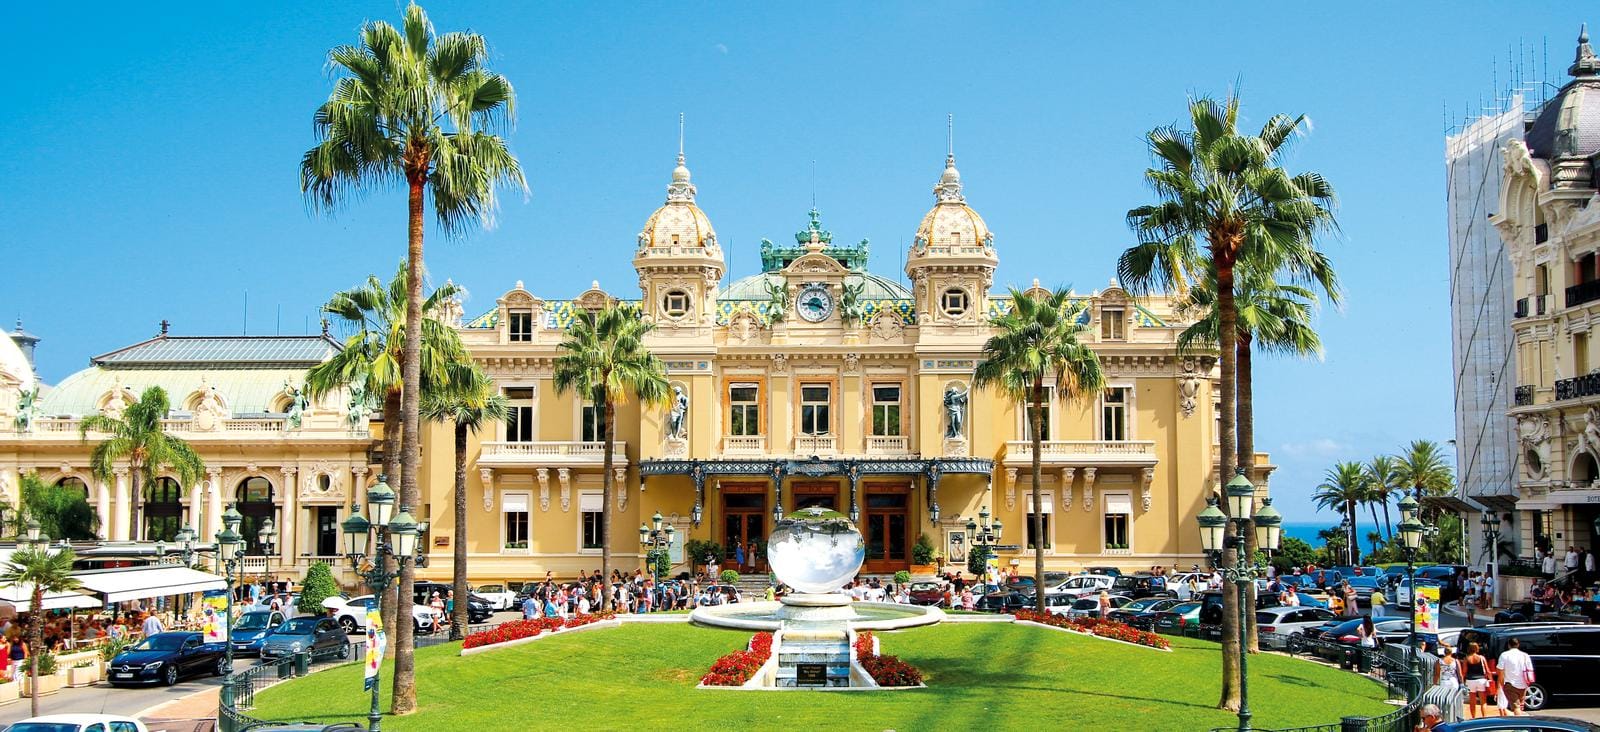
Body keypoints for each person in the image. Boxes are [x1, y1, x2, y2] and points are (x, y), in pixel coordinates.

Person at [1497, 637, 1535, 716]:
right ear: (1518, 645)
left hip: (1510, 685)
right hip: (1523, 684)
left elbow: (1500, 671)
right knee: (1520, 706)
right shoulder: (1525, 655)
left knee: (1516, 707)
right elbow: (1530, 670)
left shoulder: (1504, 655)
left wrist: (1501, 685)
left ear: (1509, 645)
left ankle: (1520, 725)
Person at [1461, 641, 1492, 719]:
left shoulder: (1466, 658)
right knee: (1483, 701)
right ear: (1476, 648)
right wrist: (1491, 680)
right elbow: (1487, 670)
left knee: (1472, 700)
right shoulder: (1481, 658)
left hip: (1470, 680)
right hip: (1481, 680)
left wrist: (1462, 681)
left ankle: (1473, 717)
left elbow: (1464, 672)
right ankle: (1484, 717)